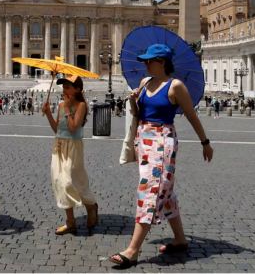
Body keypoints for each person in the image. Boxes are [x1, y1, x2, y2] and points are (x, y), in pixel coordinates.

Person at [109, 44, 213, 268]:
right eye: (145, 61)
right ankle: (180, 240)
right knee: (165, 191)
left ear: (162, 62)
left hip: (163, 141)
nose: (145, 64)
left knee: (151, 190)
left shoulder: (175, 86)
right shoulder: (145, 83)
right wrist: (133, 102)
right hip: (143, 141)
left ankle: (132, 250)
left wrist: (205, 142)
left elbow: (192, 116)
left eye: (150, 61)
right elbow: (139, 114)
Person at [42, 75, 98, 235]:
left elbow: (73, 127)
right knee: (59, 182)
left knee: (73, 182)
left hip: (74, 146)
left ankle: (91, 206)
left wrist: (67, 109)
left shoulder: (81, 106)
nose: (64, 89)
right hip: (59, 145)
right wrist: (48, 114)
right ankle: (70, 222)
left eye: (67, 87)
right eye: (63, 86)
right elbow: (57, 129)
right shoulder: (60, 105)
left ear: (78, 89)